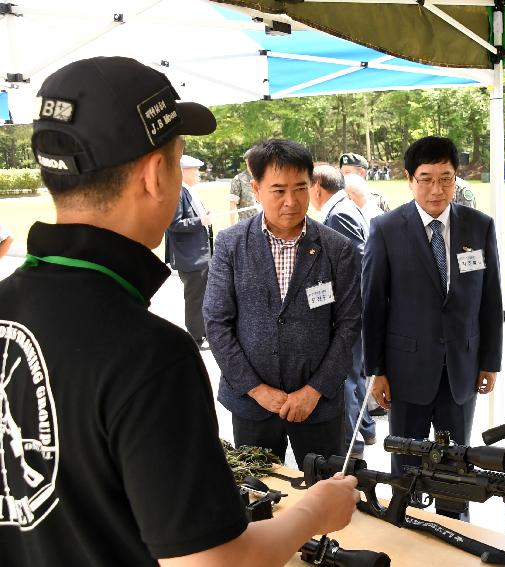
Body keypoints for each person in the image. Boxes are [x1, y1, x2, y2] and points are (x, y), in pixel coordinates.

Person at [0, 55, 357, 567]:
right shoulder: (150, 355)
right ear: (154, 174)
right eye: (178, 156)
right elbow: (212, 562)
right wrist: (314, 512)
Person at [362, 136, 503, 519]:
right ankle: (404, 525)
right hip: (406, 371)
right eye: (426, 178)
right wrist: (376, 370)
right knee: (406, 462)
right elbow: (372, 305)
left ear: (457, 179)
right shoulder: (386, 229)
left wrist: (490, 360)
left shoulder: (479, 226)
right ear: (409, 179)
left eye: (446, 178)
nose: (436, 189)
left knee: (457, 463)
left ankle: (455, 527)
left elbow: (490, 298)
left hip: (463, 368)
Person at [205, 139, 362, 469]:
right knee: (261, 495)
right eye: (278, 190)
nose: (291, 201)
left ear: (312, 186)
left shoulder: (337, 248)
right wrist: (257, 389)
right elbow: (217, 323)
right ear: (256, 189)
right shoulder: (231, 244)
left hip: (318, 406)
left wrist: (314, 390)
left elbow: (348, 325)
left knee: (325, 496)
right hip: (253, 405)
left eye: (300, 188)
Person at [308, 164, 375, 459]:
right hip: (356, 308)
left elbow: (358, 263)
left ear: (318, 187)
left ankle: (352, 443)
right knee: (354, 373)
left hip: (351, 309)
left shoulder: (339, 215)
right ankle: (367, 429)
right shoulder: (344, 208)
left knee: (345, 377)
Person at [165, 154, 211, 349]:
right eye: (195, 170)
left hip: (199, 254)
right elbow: (173, 223)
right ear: (182, 172)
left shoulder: (189, 191)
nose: (199, 174)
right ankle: (195, 337)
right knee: (195, 298)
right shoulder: (178, 192)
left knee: (204, 295)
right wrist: (200, 221)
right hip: (190, 257)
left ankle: (203, 331)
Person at [229, 147, 258, 224]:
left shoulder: (263, 177)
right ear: (246, 161)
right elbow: (232, 205)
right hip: (246, 225)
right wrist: (233, 227)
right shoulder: (238, 179)